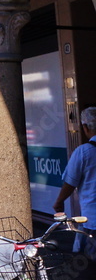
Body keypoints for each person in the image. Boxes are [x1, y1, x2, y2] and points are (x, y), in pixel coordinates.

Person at [55, 106, 96, 258]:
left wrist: (59, 202)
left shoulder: (83, 152)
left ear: (85, 127)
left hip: (92, 219)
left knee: (89, 260)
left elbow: (70, 183)